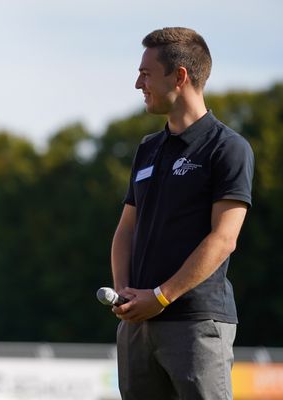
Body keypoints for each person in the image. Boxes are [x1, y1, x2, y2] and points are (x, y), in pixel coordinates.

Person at [110, 27, 254, 399]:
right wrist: (126, 294)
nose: (137, 83)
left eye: (146, 73)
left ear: (180, 76)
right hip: (137, 325)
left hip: (195, 323)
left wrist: (160, 296)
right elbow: (126, 230)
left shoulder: (228, 148)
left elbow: (224, 239)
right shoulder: (147, 148)